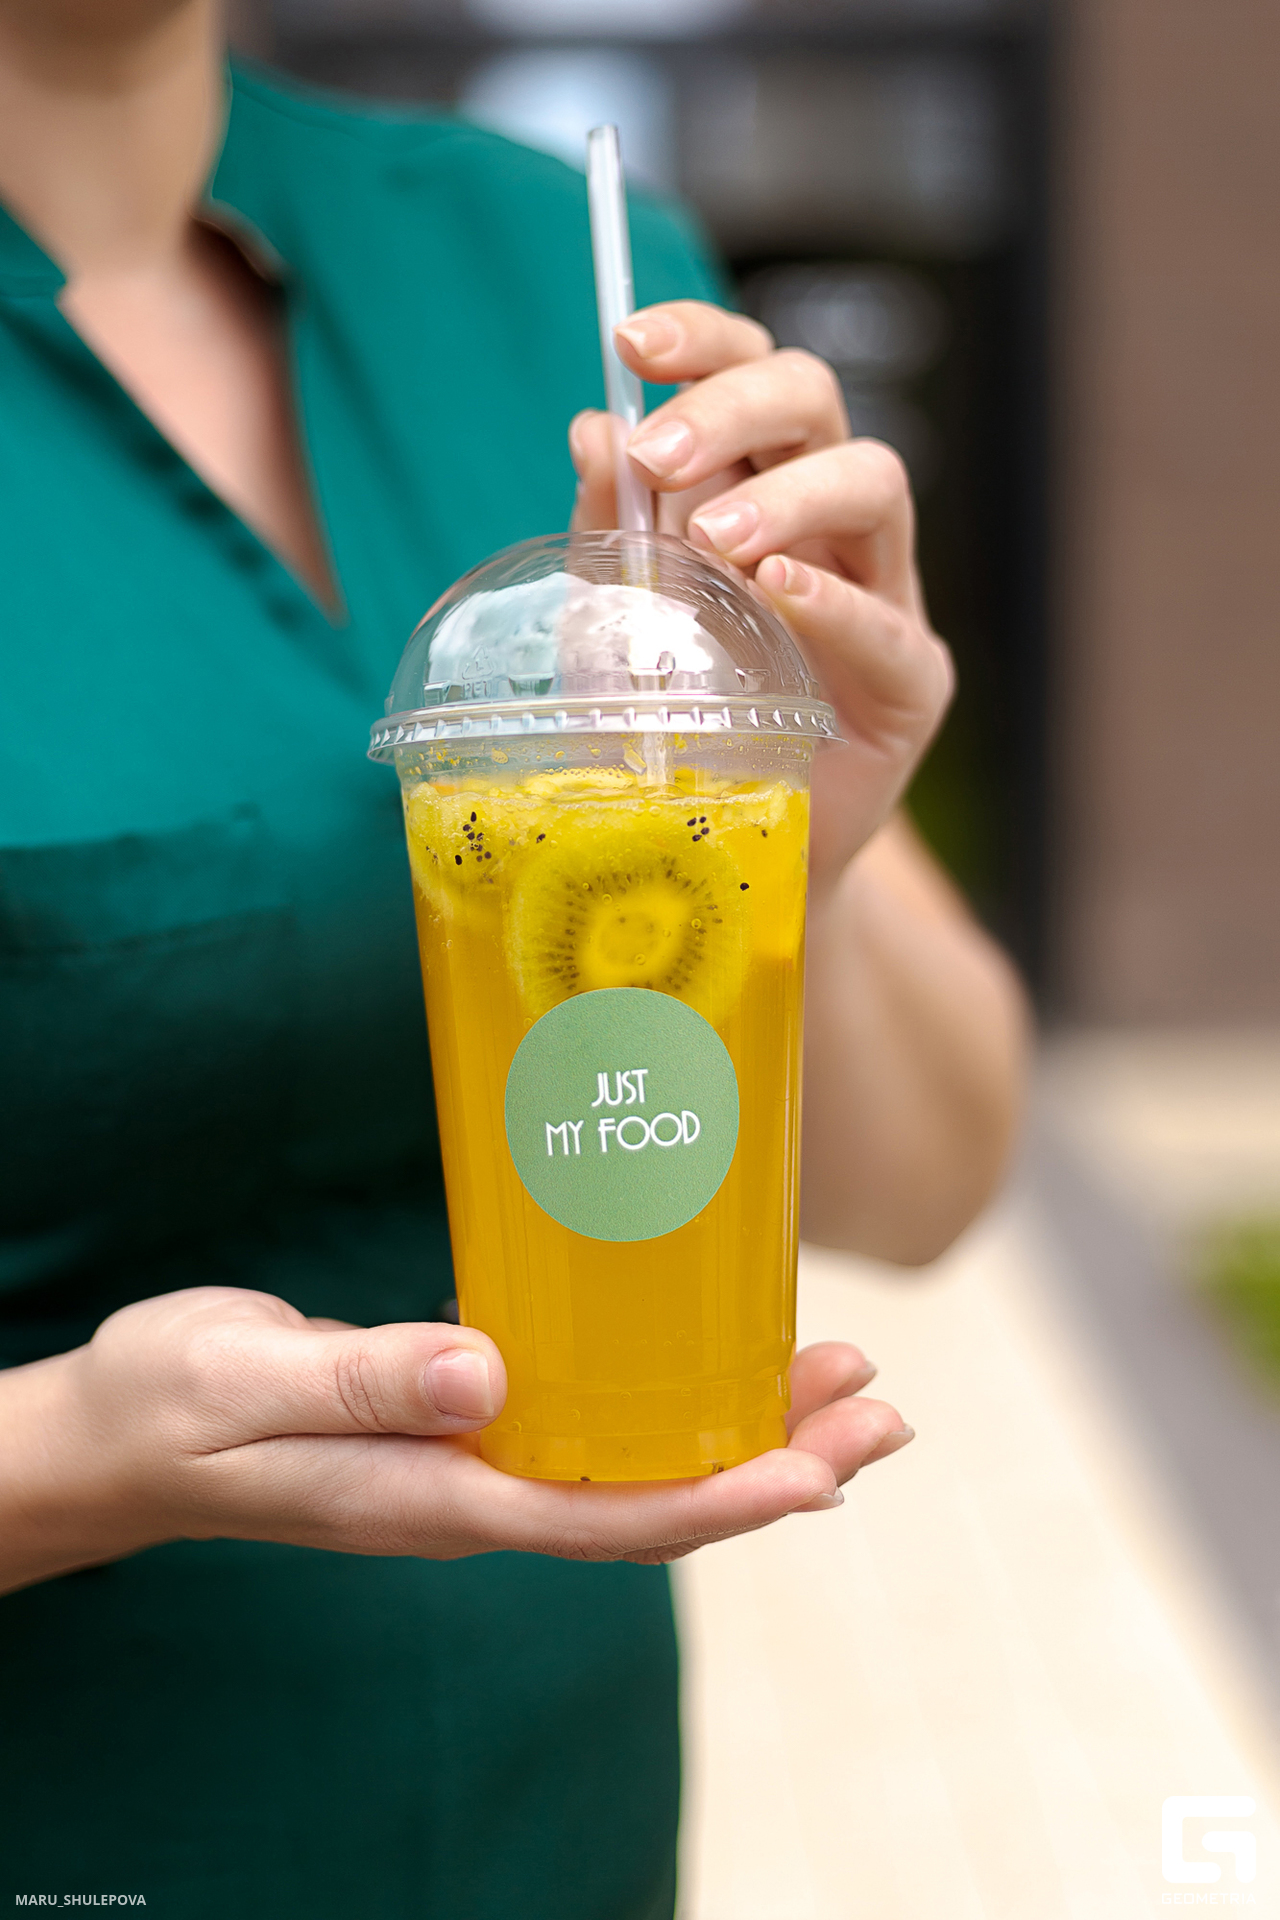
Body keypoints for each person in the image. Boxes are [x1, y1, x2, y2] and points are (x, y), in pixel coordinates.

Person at [0, 1, 1027, 1912]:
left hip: (552, 1825)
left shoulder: (567, 275)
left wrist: (813, 848)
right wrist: (69, 1455)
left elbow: (930, 1180)